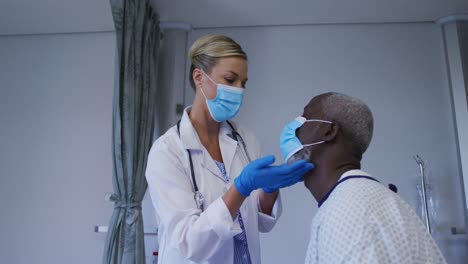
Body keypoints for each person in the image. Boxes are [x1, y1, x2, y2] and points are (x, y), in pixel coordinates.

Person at [145, 34, 314, 264]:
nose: (239, 90)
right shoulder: (167, 151)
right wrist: (241, 187)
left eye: (243, 83)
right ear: (199, 77)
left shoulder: (245, 139)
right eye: (230, 79)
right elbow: (188, 242)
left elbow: (261, 222)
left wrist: (269, 189)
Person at [279, 92, 446, 263]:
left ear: (329, 131)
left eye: (304, 117)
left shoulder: (346, 215)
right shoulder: (370, 199)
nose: (294, 126)